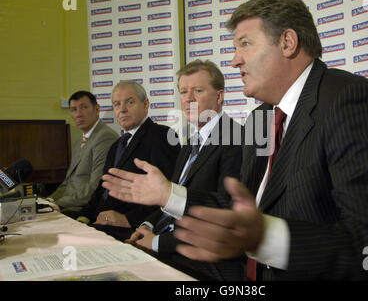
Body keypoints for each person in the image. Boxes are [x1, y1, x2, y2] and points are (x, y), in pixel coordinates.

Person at [103, 0, 368, 280]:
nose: (234, 60)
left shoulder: (351, 102)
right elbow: (243, 205)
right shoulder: (262, 117)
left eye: (245, 44)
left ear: (287, 42)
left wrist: (264, 239)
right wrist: (168, 194)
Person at [103, 60, 245, 280]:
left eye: (198, 91)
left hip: (204, 261)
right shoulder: (190, 143)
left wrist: (159, 243)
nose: (188, 99)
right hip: (168, 244)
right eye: (183, 92)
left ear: (219, 96)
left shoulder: (236, 139)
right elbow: (170, 198)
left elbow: (224, 217)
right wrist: (147, 225)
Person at [76, 80, 180, 241]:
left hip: (130, 228)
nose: (122, 109)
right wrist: (84, 217)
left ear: (145, 104)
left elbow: (168, 193)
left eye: (129, 102)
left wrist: (128, 219)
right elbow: (102, 188)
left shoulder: (162, 136)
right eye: (117, 104)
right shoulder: (117, 144)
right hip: (99, 222)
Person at [47, 91, 119, 218]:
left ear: (97, 109)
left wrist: (57, 204)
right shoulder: (80, 141)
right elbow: (67, 182)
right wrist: (48, 201)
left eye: (84, 107)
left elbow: (95, 186)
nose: (79, 114)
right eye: (74, 109)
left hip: (83, 209)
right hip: (67, 204)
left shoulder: (105, 137)